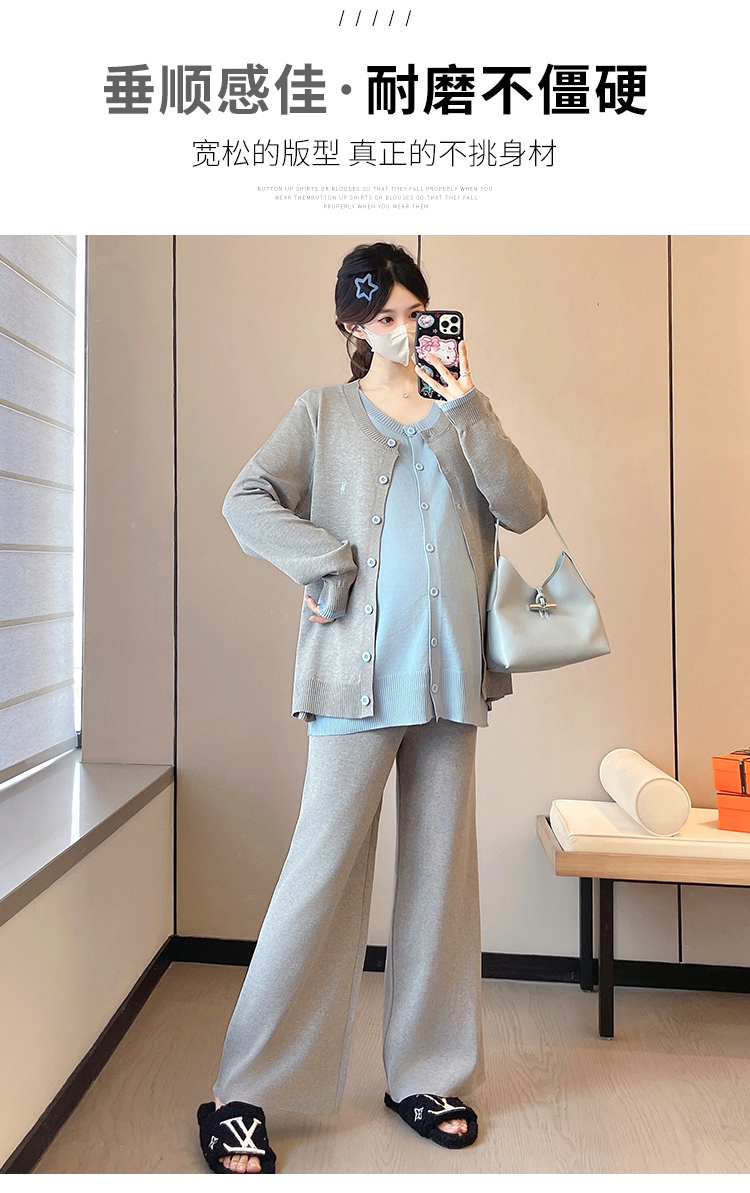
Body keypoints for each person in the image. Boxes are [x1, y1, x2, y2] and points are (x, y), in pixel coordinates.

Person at [196, 242, 548, 1173]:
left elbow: (523, 506)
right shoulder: (323, 412)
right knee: (318, 879)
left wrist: (468, 403)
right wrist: (324, 562)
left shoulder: (461, 412)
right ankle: (244, 1093)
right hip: (356, 681)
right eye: (383, 317)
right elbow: (246, 499)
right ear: (353, 326)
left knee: (439, 884)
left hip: (450, 682)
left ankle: (426, 1075)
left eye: (415, 313)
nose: (402, 330)